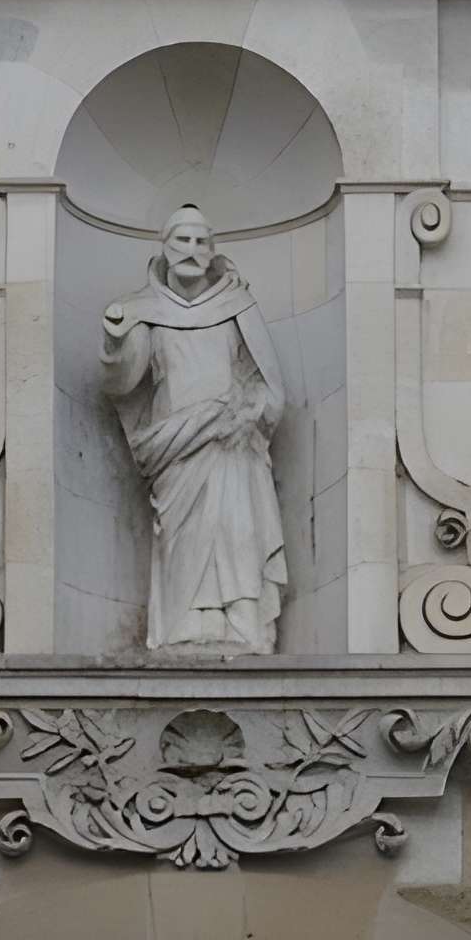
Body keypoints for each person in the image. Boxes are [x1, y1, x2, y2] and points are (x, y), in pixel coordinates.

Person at [100, 207, 288, 655]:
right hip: (176, 449)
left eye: (201, 241)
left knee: (237, 530)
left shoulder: (238, 306)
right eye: (182, 240)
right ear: (164, 248)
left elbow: (267, 383)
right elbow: (123, 381)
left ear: (213, 250)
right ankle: (183, 625)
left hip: (231, 443)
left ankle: (241, 625)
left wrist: (248, 413)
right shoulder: (144, 310)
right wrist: (115, 341)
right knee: (183, 540)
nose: (192, 250)